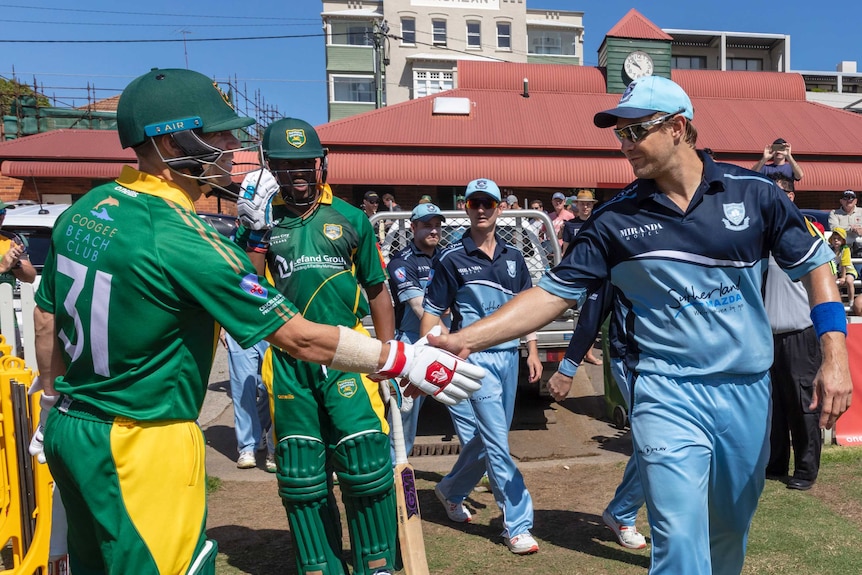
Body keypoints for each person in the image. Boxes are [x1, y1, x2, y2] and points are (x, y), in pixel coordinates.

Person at [30, 68, 484, 575]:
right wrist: (402, 357)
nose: (231, 144)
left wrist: (50, 399)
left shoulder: (86, 208)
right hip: (140, 439)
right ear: (170, 140)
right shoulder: (186, 237)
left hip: (70, 426)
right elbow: (295, 335)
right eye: (218, 132)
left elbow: (45, 317)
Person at [425, 76, 851, 575]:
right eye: (619, 134)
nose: (624, 145)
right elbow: (550, 295)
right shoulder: (613, 220)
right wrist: (461, 340)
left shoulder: (755, 193)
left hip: (746, 389)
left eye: (636, 132)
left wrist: (834, 354)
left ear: (677, 127)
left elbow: (816, 268)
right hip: (666, 392)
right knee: (678, 543)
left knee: (730, 530)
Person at [239, 116, 441, 575]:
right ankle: (319, 565)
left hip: (349, 355)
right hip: (289, 361)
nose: (297, 176)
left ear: (321, 165)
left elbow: (377, 291)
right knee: (301, 472)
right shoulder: (263, 223)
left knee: (366, 459)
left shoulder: (350, 219)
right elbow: (245, 287)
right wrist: (254, 235)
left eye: (305, 165)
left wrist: (390, 357)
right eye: (286, 167)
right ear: (270, 168)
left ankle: (379, 564)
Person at [421, 178, 542, 556]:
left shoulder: (514, 256)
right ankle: (517, 524)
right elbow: (431, 314)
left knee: (488, 439)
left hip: (509, 357)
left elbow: (526, 310)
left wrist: (532, 350)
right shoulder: (450, 257)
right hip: (475, 359)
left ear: (499, 208)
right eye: (475, 203)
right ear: (466, 208)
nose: (482, 209)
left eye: (488, 203)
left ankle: (450, 489)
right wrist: (430, 355)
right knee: (498, 442)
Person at [547, 283, 646, 550]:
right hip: (634, 360)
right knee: (657, 444)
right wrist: (567, 368)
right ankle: (624, 513)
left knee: (668, 444)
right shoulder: (620, 248)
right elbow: (593, 312)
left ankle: (624, 511)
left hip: (685, 362)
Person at [764, 174, 833, 491]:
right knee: (774, 405)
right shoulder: (762, 234)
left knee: (804, 404)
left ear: (791, 197)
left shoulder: (805, 230)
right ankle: (775, 463)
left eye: (778, 193)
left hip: (799, 332)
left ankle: (806, 470)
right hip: (768, 336)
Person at [386, 202, 447, 458]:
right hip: (414, 344)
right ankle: (395, 470)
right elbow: (418, 306)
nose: (433, 231)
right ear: (413, 227)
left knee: (468, 406)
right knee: (405, 411)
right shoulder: (401, 262)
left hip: (448, 342)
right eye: (426, 226)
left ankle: (474, 472)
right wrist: (451, 338)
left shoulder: (448, 257)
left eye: (437, 226)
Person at [221, 330, 274, 472]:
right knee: (242, 390)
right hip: (239, 324)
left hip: (272, 321)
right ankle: (247, 446)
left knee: (272, 386)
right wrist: (223, 325)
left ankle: (272, 442)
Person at [0, 200, 37, 350]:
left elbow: (30, 277)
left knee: (12, 367)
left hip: (7, 320)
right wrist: (2, 267)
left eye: (2, 213)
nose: (1, 217)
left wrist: (16, 264)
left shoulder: (12, 240)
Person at [828, 190, 862, 259]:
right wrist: (851, 229)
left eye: (852, 198)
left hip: (860, 247)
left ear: (856, 201)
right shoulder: (834, 213)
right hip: (841, 248)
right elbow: (834, 227)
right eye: (846, 198)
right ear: (841, 201)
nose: (849, 200)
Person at [829, 227, 856, 304]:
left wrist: (843, 277)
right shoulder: (831, 250)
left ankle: (851, 301)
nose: (836, 241)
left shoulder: (845, 249)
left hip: (848, 270)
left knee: (849, 281)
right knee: (832, 281)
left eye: (839, 239)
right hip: (837, 271)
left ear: (843, 241)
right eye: (834, 239)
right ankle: (837, 300)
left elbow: (844, 263)